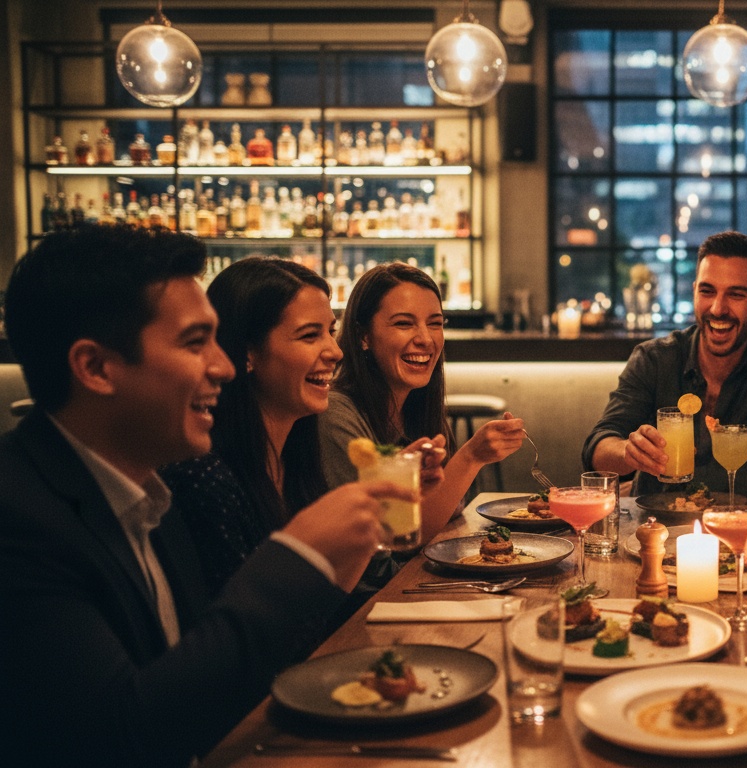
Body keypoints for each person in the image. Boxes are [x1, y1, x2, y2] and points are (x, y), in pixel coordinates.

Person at [0, 225, 413, 767]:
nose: (222, 365)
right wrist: (296, 559)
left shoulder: (152, 490)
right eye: (195, 343)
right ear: (96, 368)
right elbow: (119, 735)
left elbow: (206, 674)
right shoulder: (18, 516)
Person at [160, 257, 344, 596]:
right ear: (247, 354)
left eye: (330, 332)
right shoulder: (206, 476)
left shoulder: (295, 458)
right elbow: (244, 626)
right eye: (309, 335)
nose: (334, 351)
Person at [584, 231, 747, 497]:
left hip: (746, 529)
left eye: (736, 294)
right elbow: (597, 450)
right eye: (707, 291)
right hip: (658, 528)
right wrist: (628, 452)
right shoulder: (654, 358)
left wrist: (648, 483)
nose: (718, 308)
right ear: (694, 292)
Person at [319, 262, 524, 537]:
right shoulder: (337, 416)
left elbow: (420, 527)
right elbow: (388, 542)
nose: (426, 339)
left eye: (435, 324)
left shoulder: (417, 408)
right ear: (363, 336)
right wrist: (470, 457)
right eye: (404, 323)